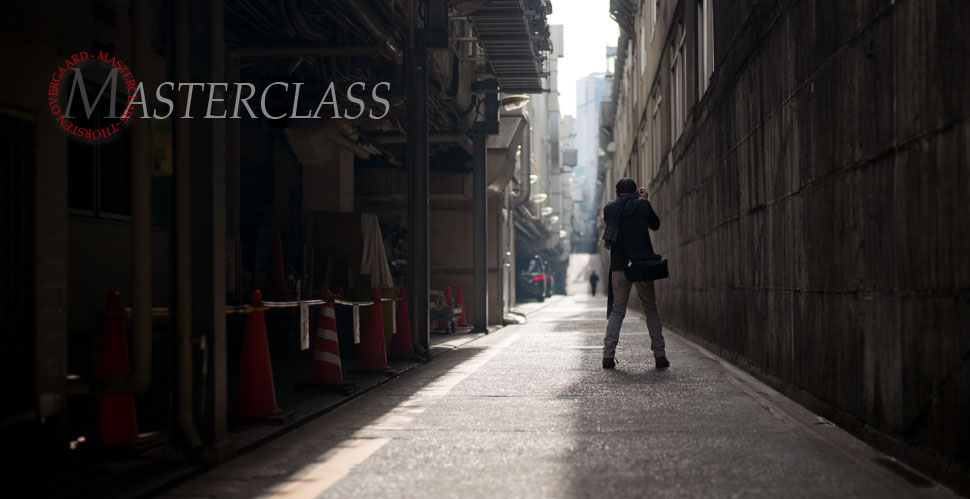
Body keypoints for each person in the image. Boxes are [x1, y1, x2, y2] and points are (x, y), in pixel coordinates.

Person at [601, 177, 668, 370]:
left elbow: (618, 211)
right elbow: (655, 225)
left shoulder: (609, 209)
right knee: (651, 309)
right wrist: (645, 201)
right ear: (636, 191)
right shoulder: (642, 206)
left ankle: (608, 355)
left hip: (620, 266)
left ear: (616, 192)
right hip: (642, 266)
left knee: (617, 312)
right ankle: (660, 354)